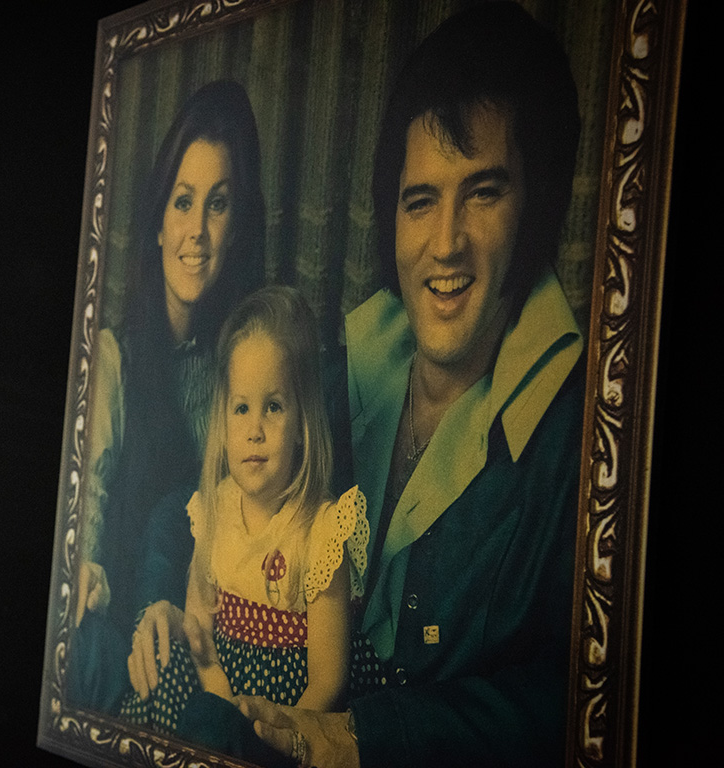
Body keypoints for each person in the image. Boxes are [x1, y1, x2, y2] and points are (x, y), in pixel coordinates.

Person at [239, 4, 585, 767]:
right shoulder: (339, 371)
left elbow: (586, 696)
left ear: (537, 212)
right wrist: (160, 598)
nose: (445, 243)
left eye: (484, 193)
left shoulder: (585, 434)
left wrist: (372, 735)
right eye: (420, 200)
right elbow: (199, 499)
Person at [69, 80, 265, 710]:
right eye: (183, 202)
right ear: (157, 222)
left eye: (218, 205)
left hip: (200, 637)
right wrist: (82, 570)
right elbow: (87, 506)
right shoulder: (112, 359)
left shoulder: (246, 371)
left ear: (237, 228)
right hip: (117, 631)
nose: (197, 232)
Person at [119, 286, 369, 738]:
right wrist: (224, 712)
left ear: (301, 425)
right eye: (241, 409)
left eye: (273, 408)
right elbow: (201, 636)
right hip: (221, 691)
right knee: (162, 673)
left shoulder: (322, 528)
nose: (254, 430)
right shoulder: (212, 511)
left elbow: (329, 680)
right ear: (223, 422)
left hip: (292, 712)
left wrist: (266, 730)